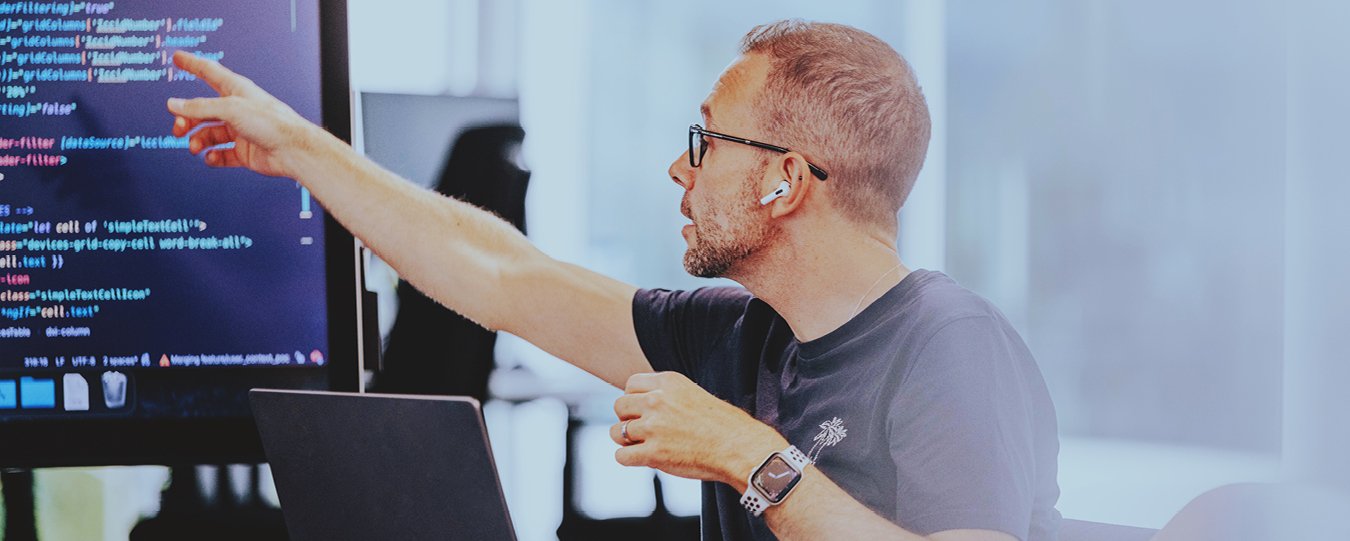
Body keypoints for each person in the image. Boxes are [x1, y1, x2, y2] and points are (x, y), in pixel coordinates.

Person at [166, 19, 1060, 541]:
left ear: (785, 179)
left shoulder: (952, 345)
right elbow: (504, 275)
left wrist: (745, 453)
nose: (680, 168)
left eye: (707, 142)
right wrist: (298, 146)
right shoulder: (737, 333)